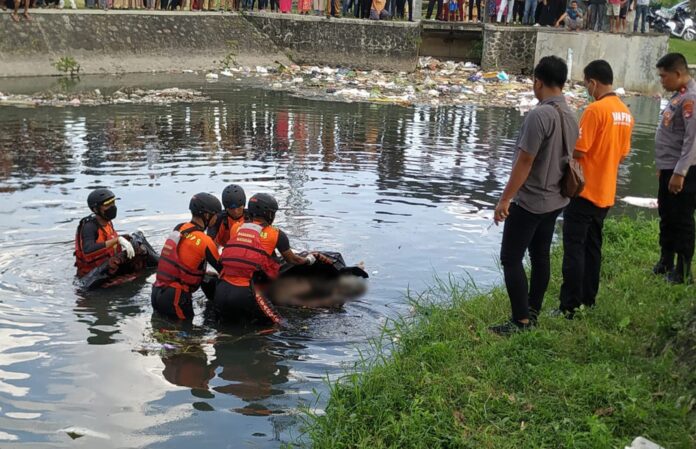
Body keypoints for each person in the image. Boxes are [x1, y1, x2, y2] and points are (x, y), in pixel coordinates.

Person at [489, 56, 578, 336]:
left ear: (538, 81)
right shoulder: (571, 114)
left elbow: (525, 162)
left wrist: (505, 199)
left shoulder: (539, 115)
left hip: (531, 201)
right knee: (540, 255)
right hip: (556, 199)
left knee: (511, 258)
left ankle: (521, 321)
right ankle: (534, 311)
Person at [557, 60, 634, 316]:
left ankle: (569, 305)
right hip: (606, 192)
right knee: (593, 248)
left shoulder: (595, 110)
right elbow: (622, 155)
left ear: (593, 82)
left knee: (574, 249)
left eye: (586, 83)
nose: (586, 88)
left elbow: (580, 149)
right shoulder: (625, 113)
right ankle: (589, 299)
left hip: (584, 191)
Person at [213, 193, 325, 325]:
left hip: (221, 289)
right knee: (280, 326)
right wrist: (309, 259)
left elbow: (243, 251)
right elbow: (293, 260)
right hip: (247, 291)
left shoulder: (236, 227)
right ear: (269, 214)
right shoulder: (276, 233)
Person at [653, 53, 696, 284]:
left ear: (678, 74)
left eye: (664, 76)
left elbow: (692, 140)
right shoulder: (679, 96)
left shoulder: (691, 98)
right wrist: (663, 167)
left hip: (684, 172)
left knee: (682, 219)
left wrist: (680, 173)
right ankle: (666, 260)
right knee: (667, 215)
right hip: (668, 167)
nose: (661, 80)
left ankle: (683, 271)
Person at [151, 193, 223, 321]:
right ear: (207, 215)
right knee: (188, 337)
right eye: (216, 215)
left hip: (157, 291)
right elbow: (223, 270)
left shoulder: (179, 228)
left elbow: (183, 259)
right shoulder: (206, 241)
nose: (217, 219)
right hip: (176, 297)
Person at [75, 188, 136, 278]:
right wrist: (117, 240)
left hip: (110, 268)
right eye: (107, 204)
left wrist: (125, 239)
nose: (112, 207)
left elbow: (109, 241)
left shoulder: (108, 222)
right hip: (92, 278)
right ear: (95, 209)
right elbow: (87, 251)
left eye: (113, 203)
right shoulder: (89, 227)